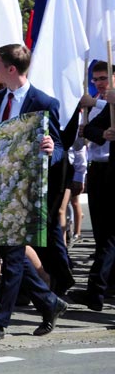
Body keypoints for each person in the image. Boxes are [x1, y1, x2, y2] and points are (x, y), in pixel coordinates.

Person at [0, 44, 68, 342]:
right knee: (7, 253)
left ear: (11, 69)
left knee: (12, 257)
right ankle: (50, 303)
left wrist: (52, 150)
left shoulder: (44, 101)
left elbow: (61, 147)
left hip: (25, 192)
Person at [68, 63, 115, 312]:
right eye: (95, 79)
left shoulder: (105, 103)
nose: (99, 83)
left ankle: (96, 290)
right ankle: (103, 287)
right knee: (103, 234)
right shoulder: (101, 104)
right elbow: (90, 131)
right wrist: (102, 133)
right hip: (100, 170)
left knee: (108, 237)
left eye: (103, 78)